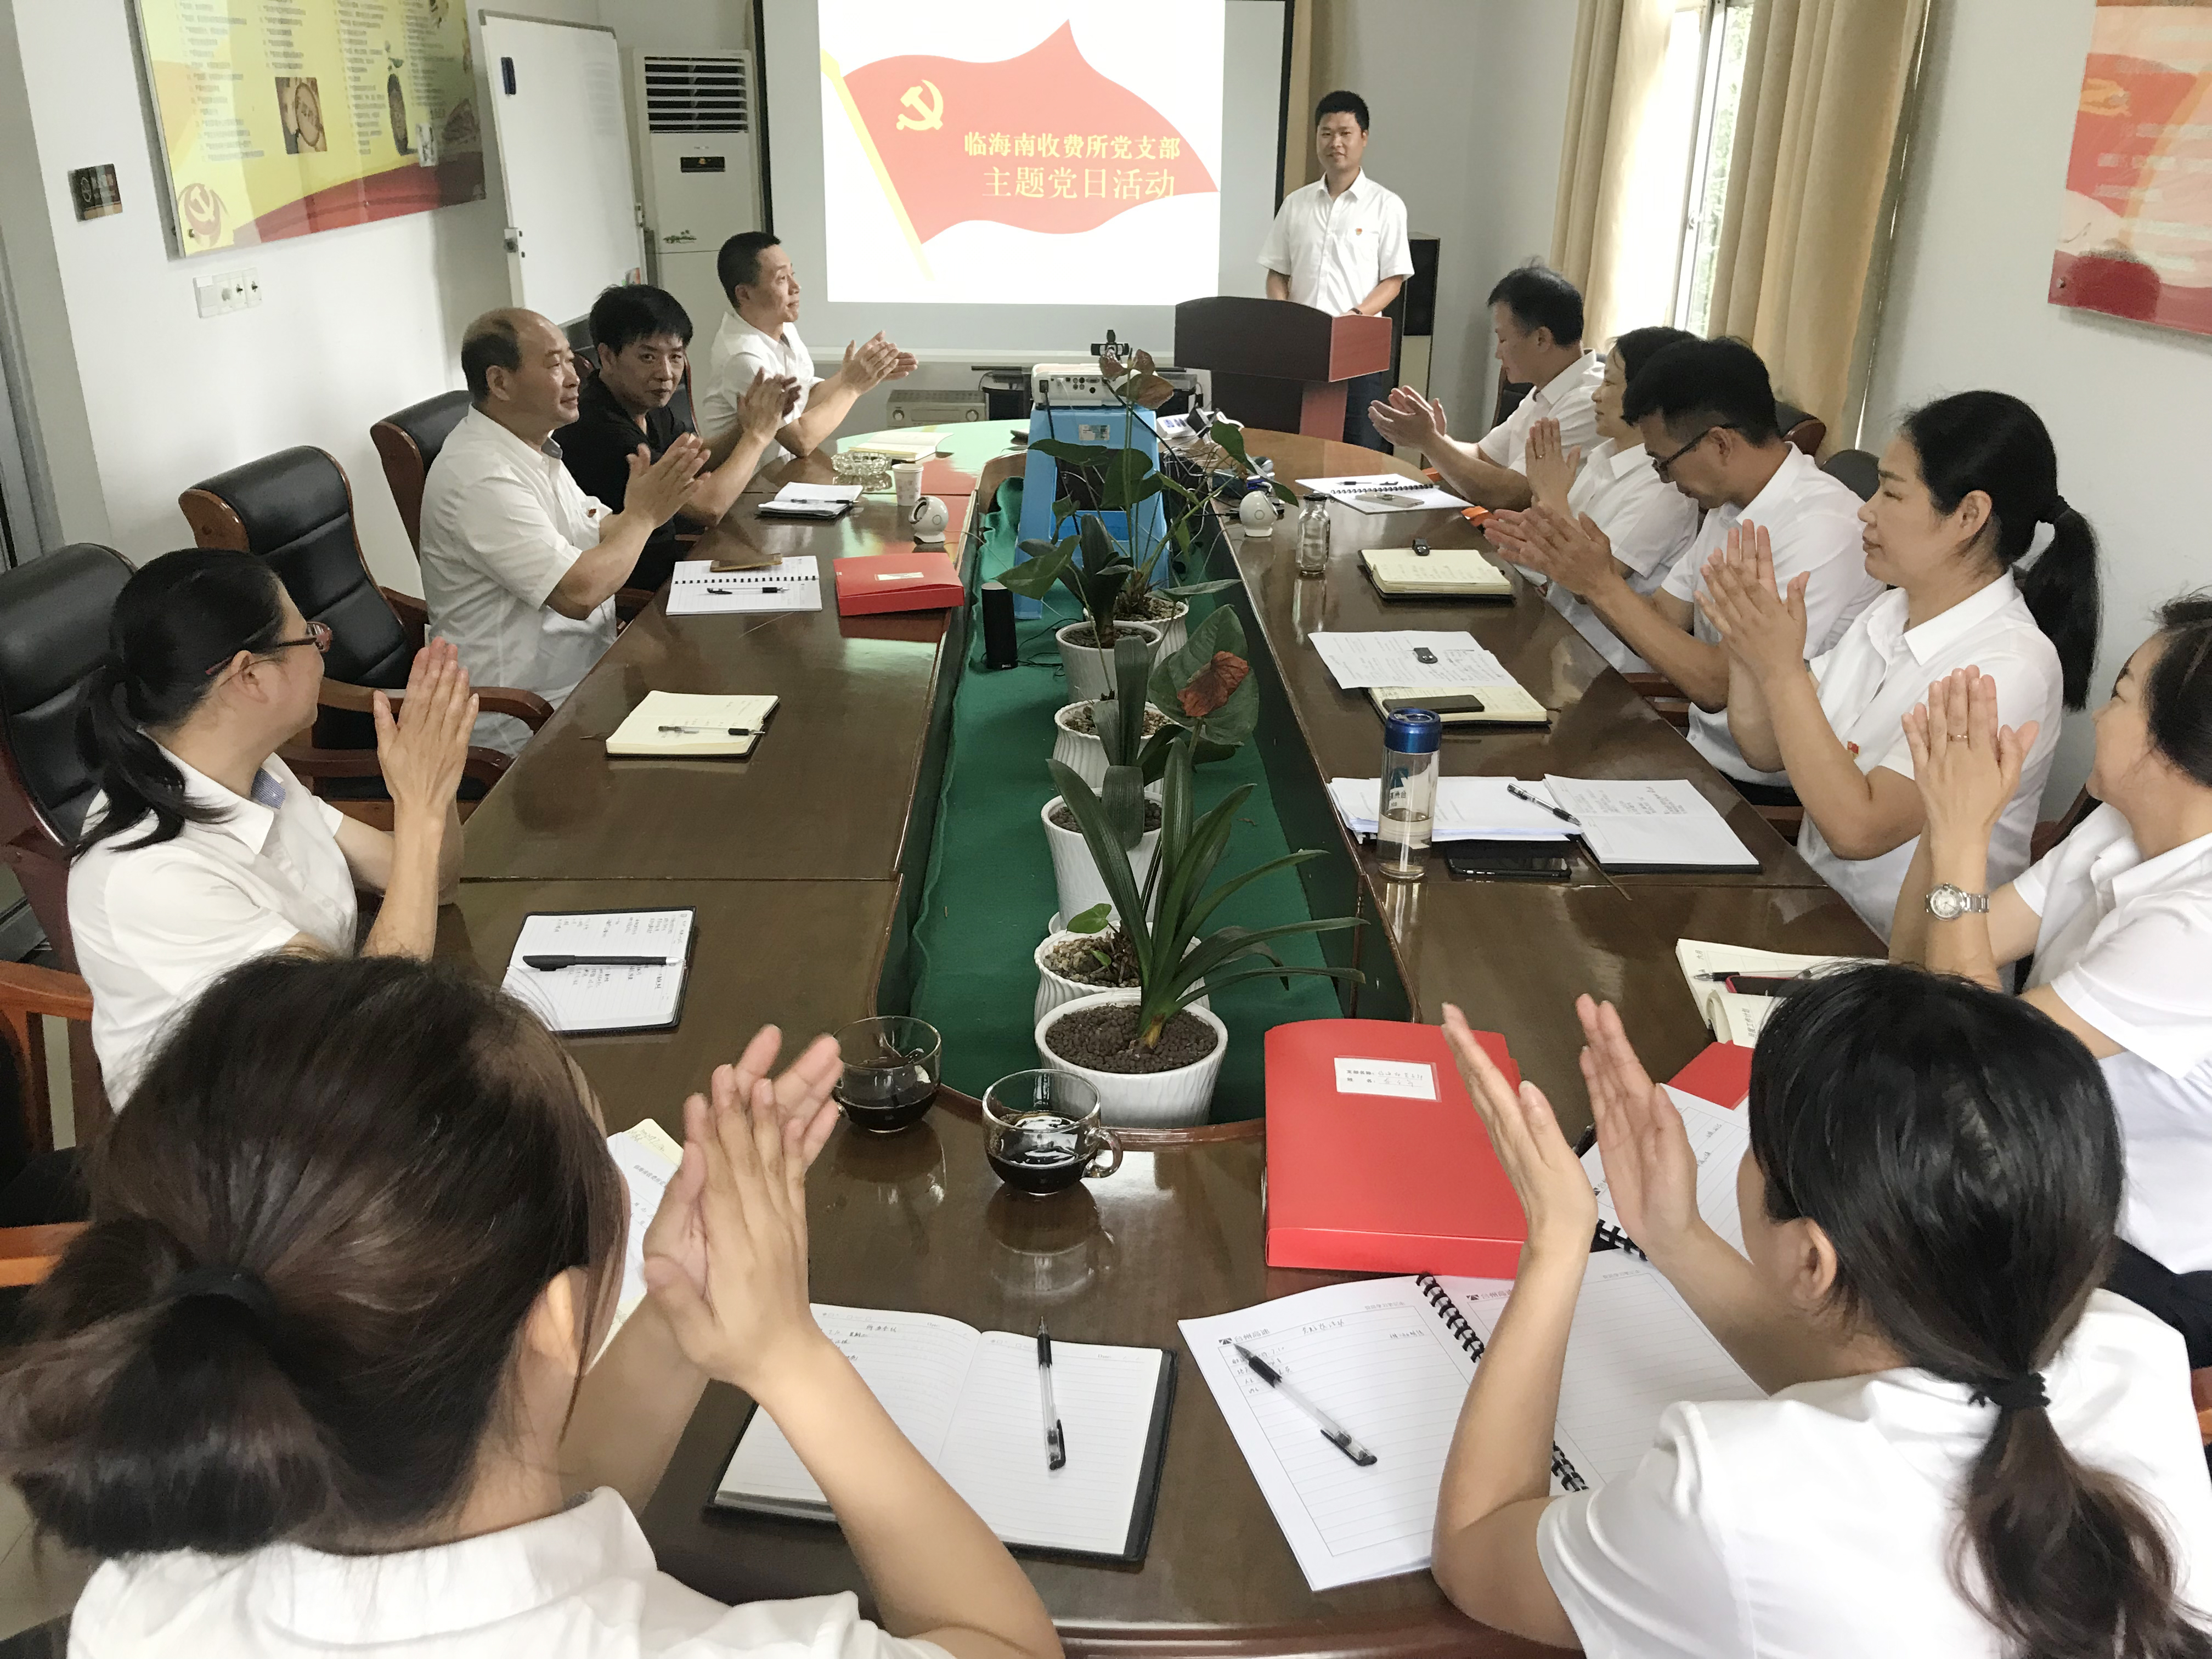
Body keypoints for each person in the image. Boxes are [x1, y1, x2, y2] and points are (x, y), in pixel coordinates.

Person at [0, 953, 1064, 1659]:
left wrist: (677, 1313)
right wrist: (791, 1358)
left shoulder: (146, 1601)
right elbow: (1006, 1644)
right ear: (558, 1320)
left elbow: (503, 1513)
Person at [1426, 967, 2212, 1657]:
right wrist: (1674, 1235)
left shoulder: (1736, 1496)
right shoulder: (2133, 1348)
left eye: (1755, 1142)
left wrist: (1557, 1241)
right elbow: (1894, 1390)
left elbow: (1475, 1551)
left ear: (1812, 1260)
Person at [1892, 603, 2212, 1361]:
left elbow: (1978, 1060)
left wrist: (1965, 837)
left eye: (2121, 697)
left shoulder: (2197, 927)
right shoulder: (2120, 827)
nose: (2099, 717)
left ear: (2175, 750)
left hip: (2139, 1256)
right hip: (2028, 1167)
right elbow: (1917, 959)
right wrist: (1945, 816)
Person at [67, 550, 475, 1106]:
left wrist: (436, 777)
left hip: (321, 1090)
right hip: (234, 1136)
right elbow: (359, 1032)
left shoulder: (255, 772)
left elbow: (436, 880)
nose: (323, 648)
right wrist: (419, 808)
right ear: (251, 675)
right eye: (310, 637)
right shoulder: (152, 874)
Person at [1696, 391, 2098, 936]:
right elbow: (1766, 749)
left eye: (1891, 492)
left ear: (1969, 515)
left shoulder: (2009, 666)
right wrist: (1751, 652)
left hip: (1902, 957)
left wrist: (1783, 670)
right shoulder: (1892, 610)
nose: (1867, 509)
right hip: (1812, 912)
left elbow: (1858, 831)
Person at [1496, 336, 1880, 803]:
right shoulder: (1730, 504)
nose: (1666, 480)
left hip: (1761, 791)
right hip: (1695, 754)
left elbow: (1718, 685)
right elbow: (1664, 615)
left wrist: (1601, 586)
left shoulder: (1821, 529)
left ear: (1719, 443)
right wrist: (1589, 576)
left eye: (1665, 464)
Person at [421, 307, 707, 754]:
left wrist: (650, 505)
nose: (576, 378)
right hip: (524, 718)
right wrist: (644, 517)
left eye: (572, 361)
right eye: (555, 364)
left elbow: (599, 529)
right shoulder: (479, 474)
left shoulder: (535, 447)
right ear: (500, 382)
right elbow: (578, 594)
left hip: (587, 681)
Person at [557, 283, 802, 594]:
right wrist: (757, 435)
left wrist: (746, 425)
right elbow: (709, 507)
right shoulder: (599, 426)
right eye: (648, 357)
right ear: (607, 356)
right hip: (643, 593)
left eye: (676, 357)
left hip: (677, 568)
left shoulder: (643, 404)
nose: (666, 373)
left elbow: (695, 458)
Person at [1507, 324, 1701, 672]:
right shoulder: (1606, 454)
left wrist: (1552, 499)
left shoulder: (1664, 489)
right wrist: (1532, 531)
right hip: (1556, 637)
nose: (1596, 396)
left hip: (1600, 670)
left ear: (1649, 397)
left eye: (1610, 383)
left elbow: (1585, 586)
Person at [1367, 264, 1602, 509]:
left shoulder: (1589, 402)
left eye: (1503, 339)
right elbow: (1483, 455)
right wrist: (1435, 437)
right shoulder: (1547, 388)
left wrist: (1430, 442)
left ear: (1541, 339)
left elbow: (1510, 496)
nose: (1498, 353)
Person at [1256, 90, 1414, 452]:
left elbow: (1393, 280)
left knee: (1357, 449)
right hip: (1302, 348)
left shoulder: (1386, 206)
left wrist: (1355, 316)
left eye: (1345, 133)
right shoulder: (1296, 204)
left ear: (1364, 137)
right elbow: (1277, 273)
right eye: (1326, 133)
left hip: (1358, 348)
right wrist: (1284, 315)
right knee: (1297, 447)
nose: (1335, 143)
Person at [698, 233, 916, 479]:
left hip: (782, 478)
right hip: (748, 491)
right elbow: (801, 441)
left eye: (793, 274)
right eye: (782, 279)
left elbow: (804, 400)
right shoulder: (743, 357)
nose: (796, 287)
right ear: (744, 294)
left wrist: (857, 373)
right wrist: (853, 386)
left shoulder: (783, 327)